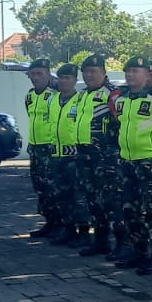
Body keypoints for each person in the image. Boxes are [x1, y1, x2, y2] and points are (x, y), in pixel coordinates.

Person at [113, 55, 152, 270]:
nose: (130, 75)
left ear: (147, 75)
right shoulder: (122, 100)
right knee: (130, 210)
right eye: (128, 71)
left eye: (136, 71)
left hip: (149, 161)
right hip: (127, 161)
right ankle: (139, 251)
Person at [76, 53, 121, 258]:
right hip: (87, 157)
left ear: (104, 72)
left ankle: (122, 243)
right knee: (93, 200)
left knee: (112, 202)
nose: (89, 75)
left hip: (107, 158)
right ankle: (100, 241)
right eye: (85, 72)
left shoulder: (113, 94)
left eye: (93, 71)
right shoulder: (83, 95)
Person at [49, 63, 91, 247]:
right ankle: (68, 229)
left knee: (78, 196)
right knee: (61, 195)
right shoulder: (52, 100)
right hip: (56, 155)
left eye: (68, 78)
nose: (64, 81)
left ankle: (83, 232)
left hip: (74, 156)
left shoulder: (80, 100)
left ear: (75, 80)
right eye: (61, 78)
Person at [23, 57, 62, 239]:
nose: (36, 78)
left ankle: (60, 224)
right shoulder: (30, 96)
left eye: (40, 74)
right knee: (40, 188)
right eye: (33, 74)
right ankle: (49, 222)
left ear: (47, 74)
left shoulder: (55, 95)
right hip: (36, 149)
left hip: (51, 148)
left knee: (54, 188)